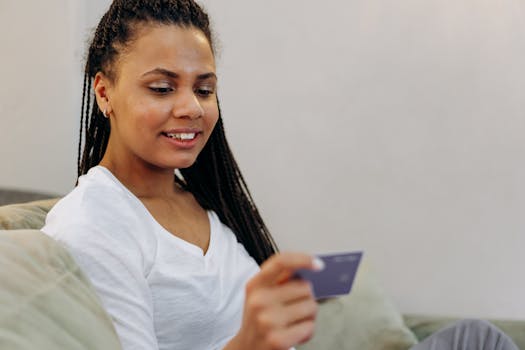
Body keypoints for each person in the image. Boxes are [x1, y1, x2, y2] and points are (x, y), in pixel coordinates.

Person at [42, 1, 519, 350]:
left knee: (476, 338)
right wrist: (250, 343)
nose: (190, 107)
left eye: (204, 89)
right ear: (104, 92)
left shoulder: (200, 202)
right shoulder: (93, 224)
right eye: (163, 87)